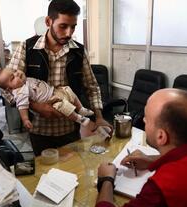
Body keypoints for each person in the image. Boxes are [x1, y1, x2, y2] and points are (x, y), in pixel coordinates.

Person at [6, 0, 112, 155]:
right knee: (45, 174)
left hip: (70, 129)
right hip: (39, 130)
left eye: (73, 26)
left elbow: (92, 87)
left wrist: (99, 116)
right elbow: (7, 89)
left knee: (72, 172)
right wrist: (37, 107)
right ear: (48, 21)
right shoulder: (27, 48)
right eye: (63, 26)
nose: (69, 33)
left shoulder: (79, 51)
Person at [0, 68, 94, 129]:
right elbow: (22, 106)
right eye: (12, 78)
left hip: (55, 91)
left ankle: (81, 109)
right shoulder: (20, 91)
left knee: (68, 89)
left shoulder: (24, 81)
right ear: (9, 88)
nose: (17, 74)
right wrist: (25, 119)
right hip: (51, 101)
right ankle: (79, 118)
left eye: (15, 71)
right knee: (63, 106)